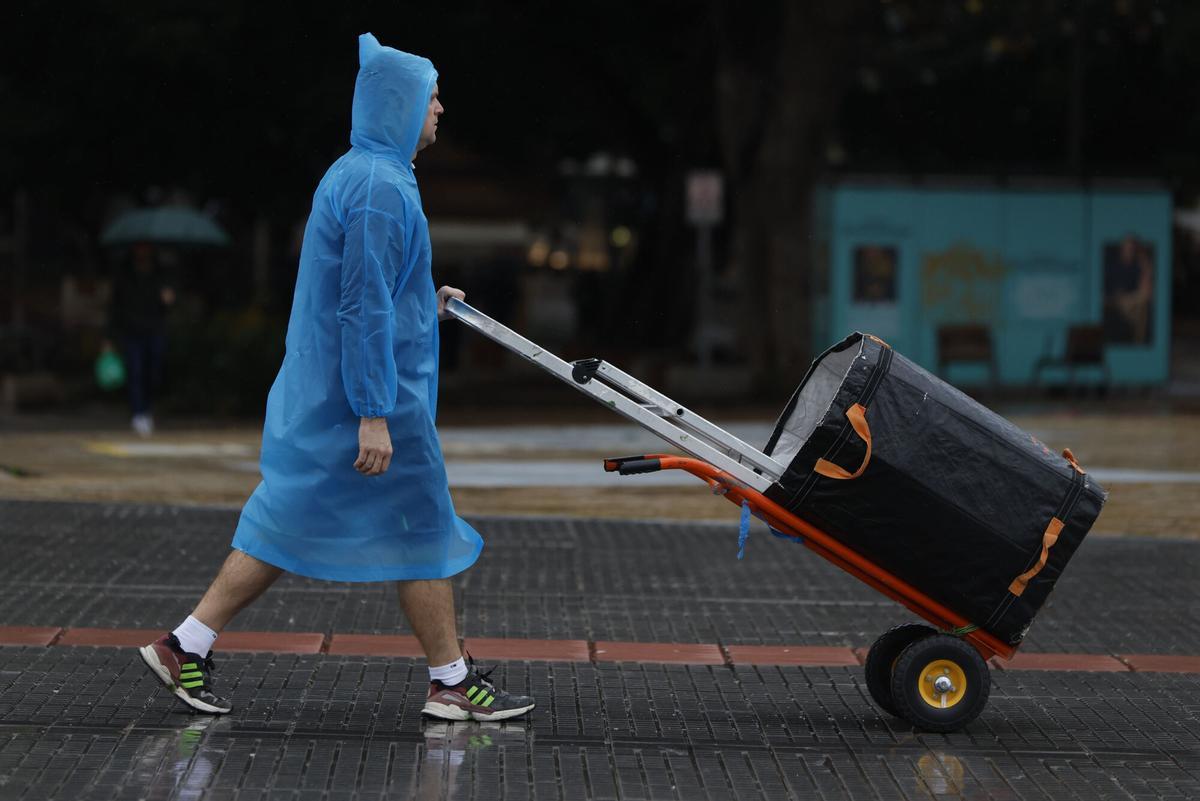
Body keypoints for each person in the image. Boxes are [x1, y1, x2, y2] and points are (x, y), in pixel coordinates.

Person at [137, 33, 534, 723]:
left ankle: (186, 643)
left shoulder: (362, 171)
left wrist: (424, 302)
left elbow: (368, 292)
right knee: (419, 523)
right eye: (431, 95)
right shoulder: (381, 187)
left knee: (288, 518)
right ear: (400, 103)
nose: (440, 107)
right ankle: (449, 679)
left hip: (332, 393)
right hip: (367, 401)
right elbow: (360, 304)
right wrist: (375, 411)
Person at [104, 242, 175, 436]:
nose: (142, 251)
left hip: (155, 331)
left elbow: (169, 304)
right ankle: (138, 413)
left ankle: (148, 409)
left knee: (154, 373)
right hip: (132, 331)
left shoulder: (161, 274)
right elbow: (115, 308)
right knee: (135, 371)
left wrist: (168, 300)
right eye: (139, 247)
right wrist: (109, 339)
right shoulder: (124, 274)